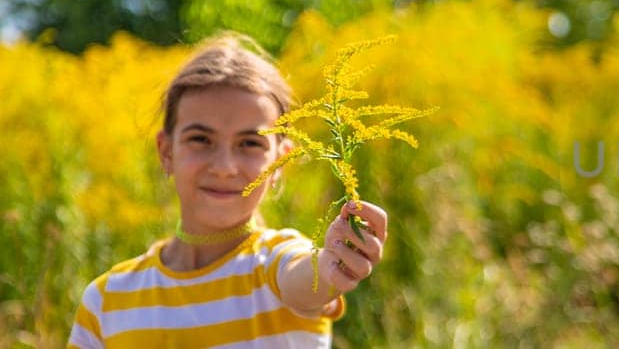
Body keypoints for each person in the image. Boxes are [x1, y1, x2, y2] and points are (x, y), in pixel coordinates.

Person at [68, 34, 390, 348]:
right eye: (200, 139)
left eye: (250, 143)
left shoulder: (276, 263)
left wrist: (333, 263)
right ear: (166, 152)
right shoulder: (107, 301)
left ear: (281, 160)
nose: (224, 166)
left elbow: (307, 279)